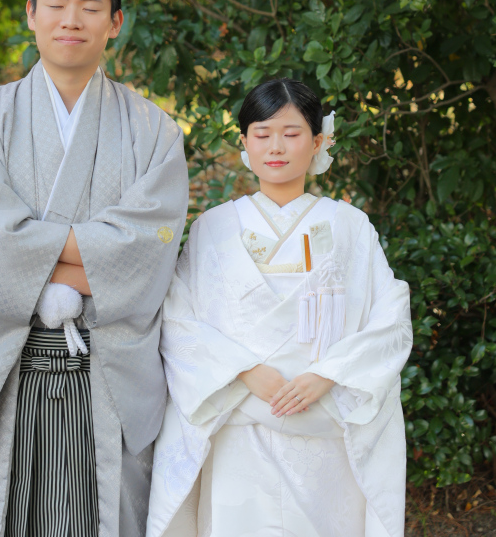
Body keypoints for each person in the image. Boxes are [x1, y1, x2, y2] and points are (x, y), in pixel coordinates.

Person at [0, 0, 189, 537]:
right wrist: (92, 253)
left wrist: (32, 254)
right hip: (6, 369)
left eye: (91, 7)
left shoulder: (154, 132)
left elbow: (147, 246)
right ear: (31, 14)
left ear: (115, 23)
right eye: (57, 4)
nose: (72, 20)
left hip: (106, 370)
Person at [146, 78, 412, 537]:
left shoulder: (351, 227)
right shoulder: (213, 229)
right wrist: (245, 371)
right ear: (244, 143)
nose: (276, 147)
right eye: (262, 133)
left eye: (291, 134)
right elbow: (177, 319)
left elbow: (389, 320)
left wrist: (328, 374)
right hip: (239, 425)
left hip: (325, 422)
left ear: (318, 141)